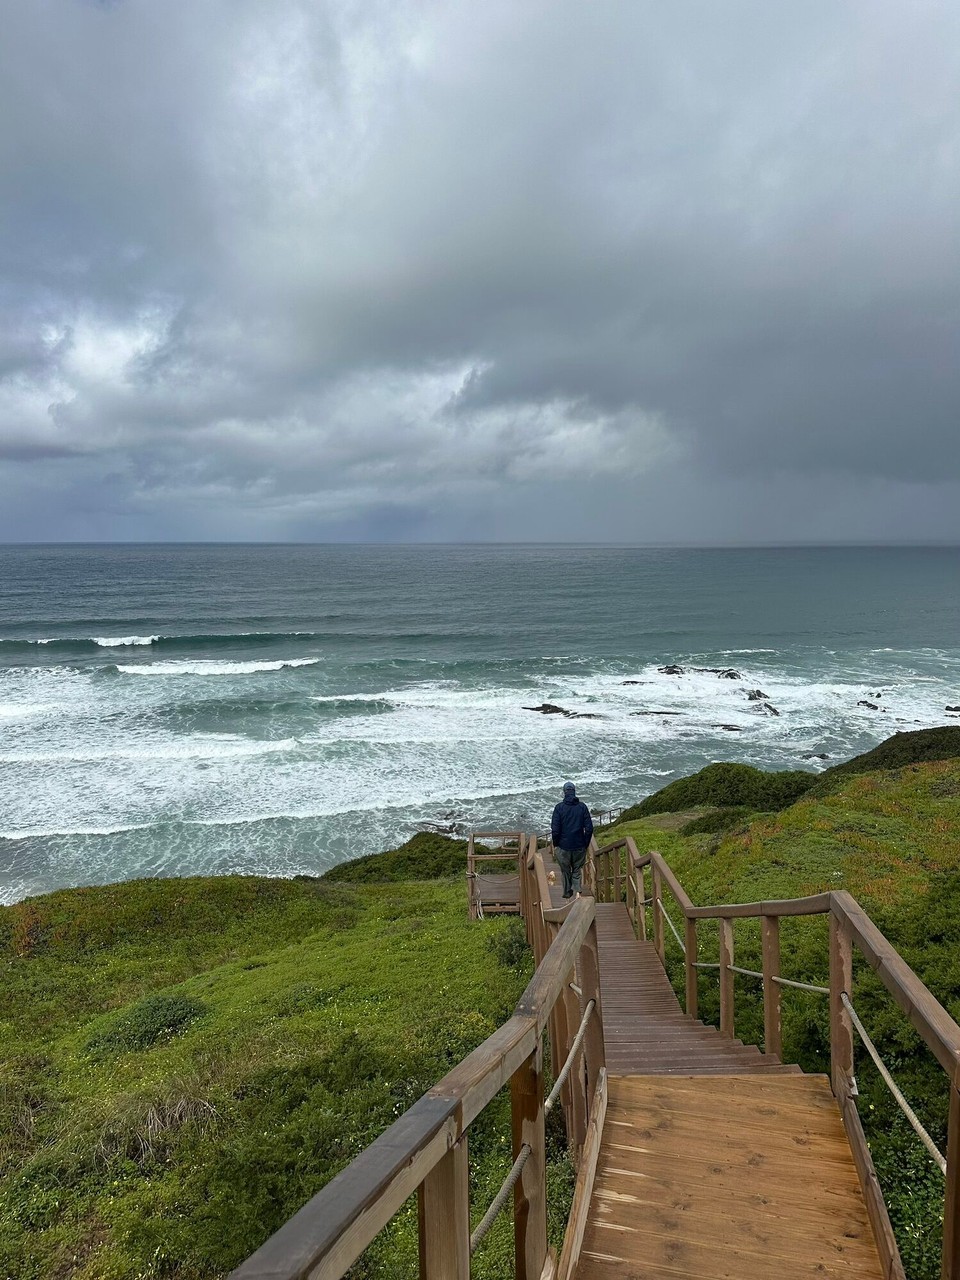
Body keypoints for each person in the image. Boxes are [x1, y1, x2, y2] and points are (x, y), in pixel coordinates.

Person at [551, 781, 593, 899]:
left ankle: (567, 893)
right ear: (574, 791)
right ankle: (578, 892)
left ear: (564, 792)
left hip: (563, 846)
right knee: (577, 870)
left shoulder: (559, 808)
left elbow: (555, 830)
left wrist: (556, 844)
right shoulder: (582, 807)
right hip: (579, 846)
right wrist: (585, 843)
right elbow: (589, 828)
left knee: (565, 871)